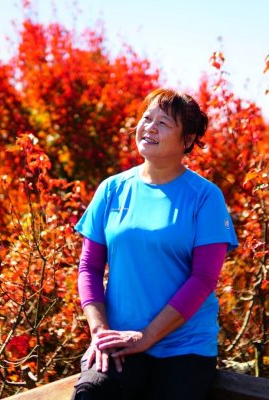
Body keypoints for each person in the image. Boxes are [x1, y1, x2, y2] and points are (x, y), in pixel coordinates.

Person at [71, 88, 238, 400]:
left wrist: (147, 337)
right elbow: (89, 268)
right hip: (120, 340)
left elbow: (203, 279)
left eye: (163, 123)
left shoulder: (205, 197)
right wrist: (99, 331)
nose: (149, 127)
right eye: (147, 118)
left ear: (187, 140)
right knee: (90, 394)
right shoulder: (112, 190)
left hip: (185, 348)